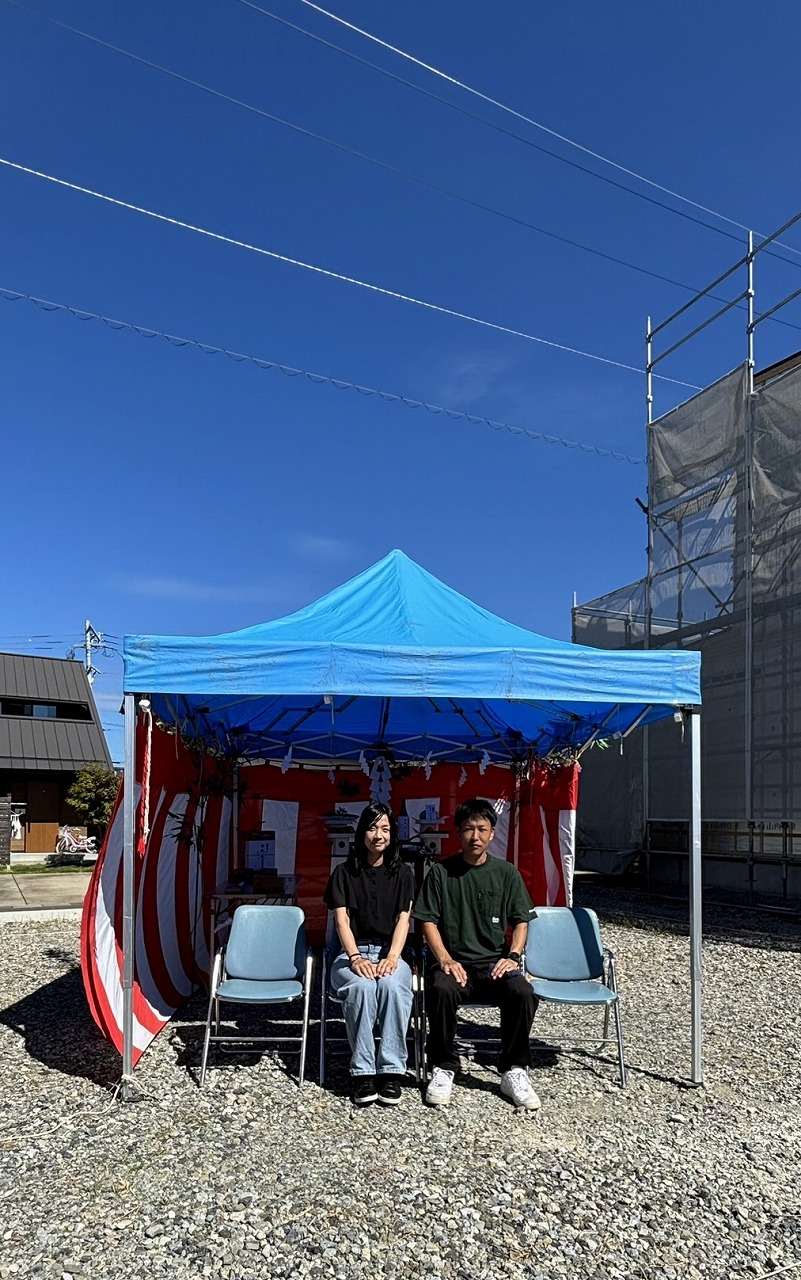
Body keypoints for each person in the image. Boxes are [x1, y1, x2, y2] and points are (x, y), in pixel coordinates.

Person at [413, 797, 540, 1110]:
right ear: (458, 833)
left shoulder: (506, 873)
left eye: (482, 829)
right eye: (469, 829)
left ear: (492, 833)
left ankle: (513, 1069)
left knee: (522, 991)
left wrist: (512, 955)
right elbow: (427, 920)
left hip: (494, 963)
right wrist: (443, 958)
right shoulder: (441, 873)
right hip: (454, 962)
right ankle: (443, 1065)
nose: (475, 836)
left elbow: (521, 919)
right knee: (440, 989)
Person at [323, 802, 416, 1106]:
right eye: (373, 827)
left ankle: (390, 1071)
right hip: (352, 954)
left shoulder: (403, 873)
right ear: (362, 831)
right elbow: (341, 921)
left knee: (392, 985)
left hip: (392, 952)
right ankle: (363, 1072)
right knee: (362, 986)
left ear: (393, 834)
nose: (379, 835)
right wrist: (355, 958)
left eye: (385, 828)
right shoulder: (344, 872)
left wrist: (392, 957)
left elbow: (404, 919)